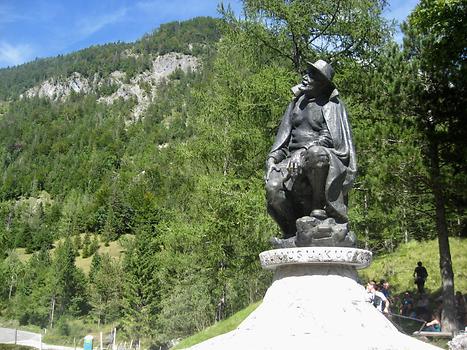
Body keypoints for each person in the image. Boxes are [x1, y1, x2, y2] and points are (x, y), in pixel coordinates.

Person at [265, 59, 356, 239]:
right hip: (290, 162)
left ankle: (317, 209)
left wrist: (304, 150)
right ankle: (292, 232)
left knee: (316, 154)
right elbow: (283, 140)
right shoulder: (296, 104)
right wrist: (272, 159)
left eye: (312, 75)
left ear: (322, 83)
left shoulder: (332, 105)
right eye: (306, 73)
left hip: (319, 156)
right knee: (273, 188)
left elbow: (330, 138)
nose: (305, 78)